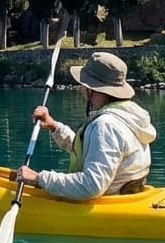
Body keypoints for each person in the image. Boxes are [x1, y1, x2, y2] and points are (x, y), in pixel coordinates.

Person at [17, 51, 156, 198]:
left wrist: (39, 178)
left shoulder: (106, 125)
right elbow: (88, 148)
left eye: (83, 85)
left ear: (92, 89)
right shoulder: (128, 115)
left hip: (105, 204)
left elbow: (92, 185)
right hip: (126, 196)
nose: (81, 89)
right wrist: (54, 127)